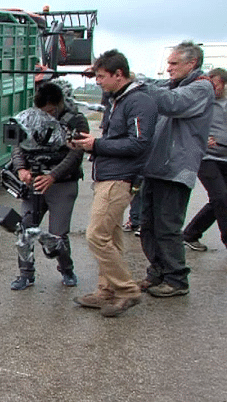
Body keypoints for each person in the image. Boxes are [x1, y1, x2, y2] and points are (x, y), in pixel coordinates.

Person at [71, 49, 157, 317]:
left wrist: (97, 144)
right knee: (111, 237)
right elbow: (111, 102)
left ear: (119, 75)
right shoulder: (119, 98)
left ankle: (127, 289)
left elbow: (138, 143)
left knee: (96, 235)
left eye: (100, 76)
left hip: (119, 177)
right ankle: (106, 291)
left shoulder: (138, 101)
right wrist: (92, 146)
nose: (96, 82)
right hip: (107, 174)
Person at [139, 41, 215, 297]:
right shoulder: (173, 85)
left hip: (176, 170)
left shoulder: (201, 88)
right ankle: (157, 272)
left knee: (168, 226)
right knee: (148, 225)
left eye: (173, 63)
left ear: (191, 63)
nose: (168, 69)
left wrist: (131, 81)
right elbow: (152, 87)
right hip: (157, 167)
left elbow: (172, 103)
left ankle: (176, 279)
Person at [8, 81, 88, 290]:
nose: (47, 116)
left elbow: (76, 153)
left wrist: (53, 175)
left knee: (58, 234)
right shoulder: (28, 118)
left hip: (62, 183)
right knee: (24, 229)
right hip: (33, 181)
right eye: (43, 112)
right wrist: (21, 169)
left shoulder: (76, 120)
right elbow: (17, 146)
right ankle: (25, 274)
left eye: (51, 111)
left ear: (60, 103)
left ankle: (66, 268)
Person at [182, 68, 227, 251]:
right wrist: (201, 137)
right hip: (205, 157)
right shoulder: (202, 102)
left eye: (214, 85)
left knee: (219, 200)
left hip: (225, 158)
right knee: (222, 198)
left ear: (224, 84)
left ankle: (190, 234)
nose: (211, 89)